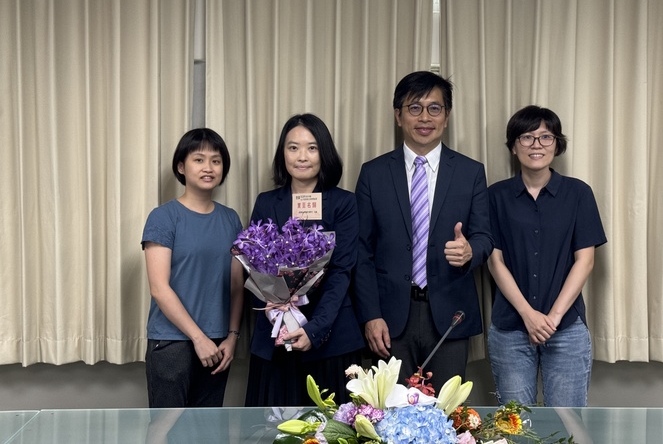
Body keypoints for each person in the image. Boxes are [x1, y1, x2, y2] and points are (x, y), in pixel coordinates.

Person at [354, 71, 494, 391]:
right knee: (390, 417)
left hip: (449, 314)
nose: (424, 117)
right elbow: (361, 252)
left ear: (447, 116)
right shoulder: (373, 174)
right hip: (389, 318)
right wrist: (370, 315)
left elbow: (485, 237)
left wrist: (471, 251)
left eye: (434, 108)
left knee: (445, 416)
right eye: (414, 108)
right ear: (398, 115)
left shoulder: (470, 172)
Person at [487, 105, 607, 407]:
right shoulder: (495, 196)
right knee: (515, 425)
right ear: (514, 146)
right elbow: (494, 261)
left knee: (566, 425)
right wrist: (529, 315)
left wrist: (551, 319)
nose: (536, 145)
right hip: (511, 328)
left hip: (566, 327)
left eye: (545, 137)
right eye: (527, 137)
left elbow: (585, 260)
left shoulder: (579, 193)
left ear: (557, 144)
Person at [244, 113, 365, 407]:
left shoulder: (344, 203)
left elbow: (340, 273)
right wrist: (277, 312)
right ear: (282, 153)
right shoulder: (266, 201)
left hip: (331, 338)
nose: (302, 157)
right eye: (293, 147)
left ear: (325, 153)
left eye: (312, 148)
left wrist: (315, 329)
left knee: (332, 432)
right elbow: (255, 265)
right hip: (277, 337)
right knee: (272, 433)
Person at [142, 128, 244, 407]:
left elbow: (237, 286)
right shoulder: (163, 217)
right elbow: (159, 288)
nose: (208, 167)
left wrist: (233, 337)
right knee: (164, 428)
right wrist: (198, 338)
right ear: (181, 166)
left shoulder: (231, 219)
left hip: (218, 341)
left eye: (216, 160)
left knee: (206, 431)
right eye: (199, 160)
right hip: (172, 341)